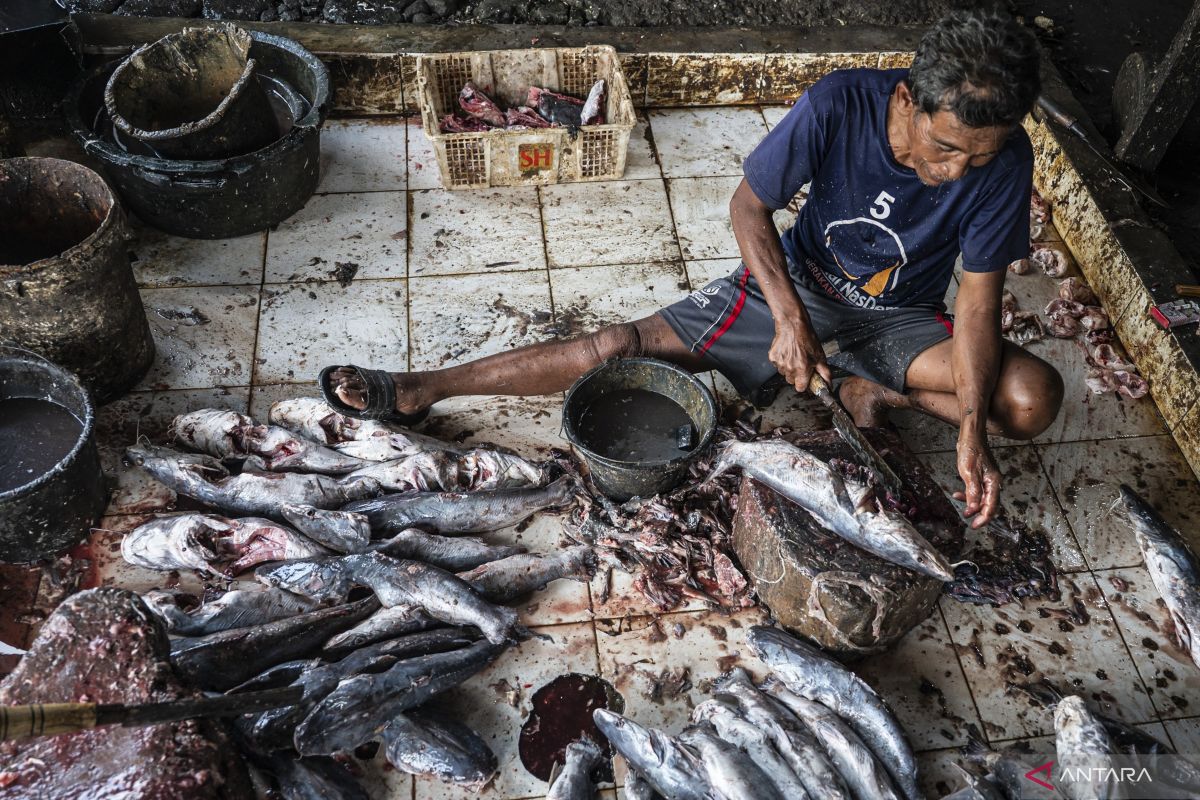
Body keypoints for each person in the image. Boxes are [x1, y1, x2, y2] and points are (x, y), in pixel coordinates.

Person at [321, 9, 1063, 530]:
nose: (956, 169)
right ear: (907, 99)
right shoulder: (842, 102)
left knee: (1028, 401)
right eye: (945, 147)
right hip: (795, 285)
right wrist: (790, 320)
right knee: (617, 348)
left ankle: (866, 382)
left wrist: (971, 429)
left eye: (980, 155)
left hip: (899, 317)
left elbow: (976, 306)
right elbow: (748, 210)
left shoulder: (1001, 165)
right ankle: (424, 387)